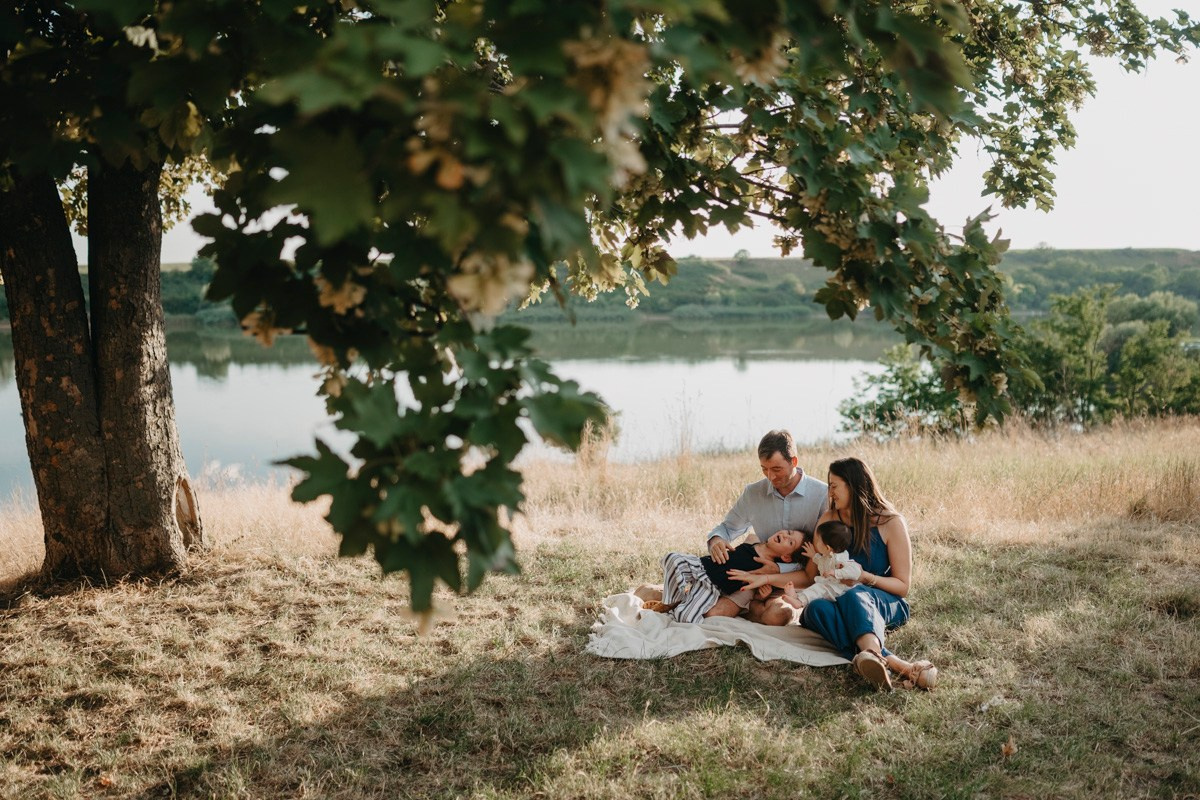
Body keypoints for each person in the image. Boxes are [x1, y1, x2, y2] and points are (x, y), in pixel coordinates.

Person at [730, 457, 938, 690]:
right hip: (837, 600)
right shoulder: (829, 520)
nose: (829, 493)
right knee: (814, 610)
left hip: (883, 601)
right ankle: (882, 660)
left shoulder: (890, 523)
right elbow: (810, 577)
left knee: (854, 594)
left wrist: (864, 578)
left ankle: (886, 660)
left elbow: (902, 586)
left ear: (853, 485)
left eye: (834, 486)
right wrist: (768, 577)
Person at [634, 429, 828, 625]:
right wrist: (717, 540)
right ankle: (667, 594)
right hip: (749, 573)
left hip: (795, 579)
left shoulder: (822, 495)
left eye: (776, 469)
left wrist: (778, 570)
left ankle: (748, 608)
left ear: (794, 462)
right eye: (764, 469)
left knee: (778, 615)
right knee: (715, 614)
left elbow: (824, 555)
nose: (770, 476)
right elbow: (727, 528)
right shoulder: (754, 493)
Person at [644, 529, 807, 623]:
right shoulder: (753, 541)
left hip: (713, 587)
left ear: (786, 557)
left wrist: (761, 595)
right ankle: (669, 602)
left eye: (790, 542)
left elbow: (755, 590)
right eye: (788, 532)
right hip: (702, 566)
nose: (785, 535)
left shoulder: (769, 569)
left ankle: (680, 605)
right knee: (672, 558)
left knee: (686, 617)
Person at [778, 519, 861, 611]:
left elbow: (856, 571)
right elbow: (822, 561)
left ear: (827, 548)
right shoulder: (828, 555)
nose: (816, 543)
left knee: (818, 589)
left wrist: (836, 572)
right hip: (829, 584)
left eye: (818, 541)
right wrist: (813, 555)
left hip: (838, 589)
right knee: (816, 588)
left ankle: (799, 602)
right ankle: (797, 597)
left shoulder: (841, 559)